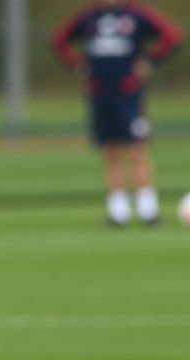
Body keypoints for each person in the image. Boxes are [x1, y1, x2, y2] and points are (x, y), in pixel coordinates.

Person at [51, 0, 183, 226]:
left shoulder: (137, 14)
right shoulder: (88, 17)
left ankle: (148, 210)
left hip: (129, 93)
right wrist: (78, 65)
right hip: (100, 93)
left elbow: (172, 36)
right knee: (110, 151)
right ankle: (118, 212)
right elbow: (58, 40)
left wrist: (149, 61)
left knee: (137, 149)